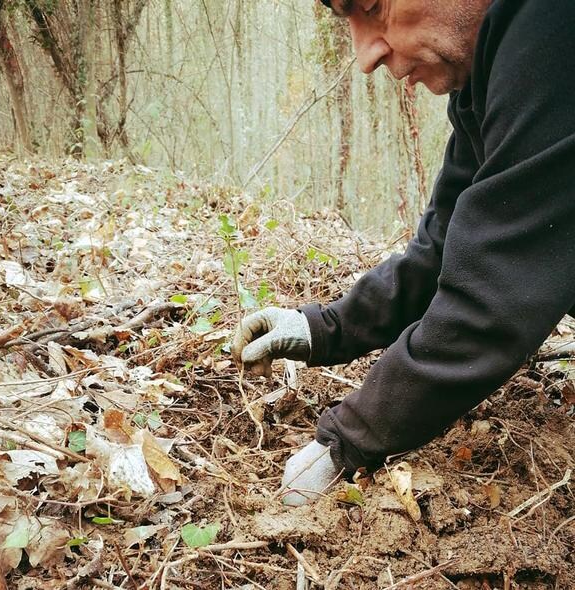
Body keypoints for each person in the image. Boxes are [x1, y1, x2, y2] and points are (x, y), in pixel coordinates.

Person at [232, 0, 575, 506]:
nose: (365, 54)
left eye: (373, 6)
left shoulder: (555, 28)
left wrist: (348, 440)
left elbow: (494, 295)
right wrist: (323, 327)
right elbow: (442, 251)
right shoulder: (488, 73)